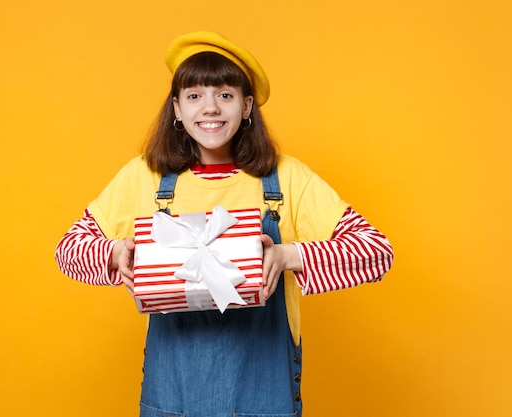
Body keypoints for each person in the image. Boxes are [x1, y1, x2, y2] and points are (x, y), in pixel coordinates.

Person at [55, 31, 394, 417]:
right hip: (174, 399)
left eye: (226, 95)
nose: (211, 108)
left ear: (247, 106)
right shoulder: (144, 178)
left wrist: (287, 255)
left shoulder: (286, 180)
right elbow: (68, 249)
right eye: (195, 96)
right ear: (177, 109)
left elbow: (376, 252)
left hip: (264, 396)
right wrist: (115, 253)